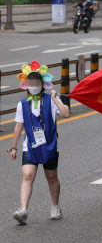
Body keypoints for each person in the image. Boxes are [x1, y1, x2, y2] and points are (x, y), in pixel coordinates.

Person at [8, 62, 70, 224]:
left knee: (51, 177)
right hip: (30, 145)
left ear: (43, 84)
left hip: (49, 145)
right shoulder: (22, 104)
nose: (33, 86)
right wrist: (14, 147)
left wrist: (56, 99)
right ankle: (23, 210)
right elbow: (18, 125)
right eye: (31, 84)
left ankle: (55, 207)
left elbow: (66, 114)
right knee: (28, 175)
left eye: (37, 83)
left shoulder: (50, 100)